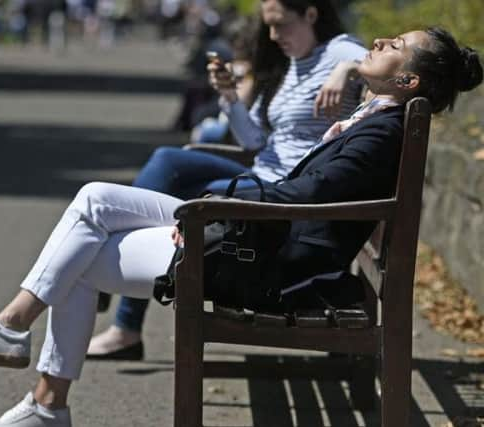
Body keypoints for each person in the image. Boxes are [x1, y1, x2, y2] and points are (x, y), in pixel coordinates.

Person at [0, 27, 482, 427]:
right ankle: (19, 344)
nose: (381, 41)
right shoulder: (377, 120)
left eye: (396, 46)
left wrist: (215, 204)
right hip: (262, 233)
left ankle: (38, 387)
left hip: (267, 260)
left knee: (78, 257)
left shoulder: (382, 132)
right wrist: (219, 201)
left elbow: (306, 196)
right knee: (93, 200)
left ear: (408, 79)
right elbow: (304, 191)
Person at [87, 0, 367, 360]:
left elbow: (382, 65)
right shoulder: (298, 61)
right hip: (261, 170)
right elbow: (254, 141)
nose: (273, 35)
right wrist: (230, 98)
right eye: (269, 26)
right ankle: (118, 305)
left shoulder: (337, 50)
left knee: (202, 201)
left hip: (285, 191)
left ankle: (119, 311)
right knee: (167, 160)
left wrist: (345, 69)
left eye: (280, 25)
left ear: (311, 14)